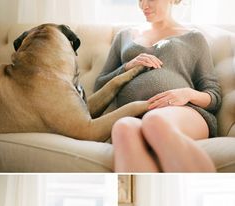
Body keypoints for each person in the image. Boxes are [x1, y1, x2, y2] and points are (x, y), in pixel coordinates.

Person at [94, 0, 221, 173]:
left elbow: (214, 95)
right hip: (135, 115)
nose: (143, 5)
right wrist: (126, 67)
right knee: (122, 128)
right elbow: (100, 86)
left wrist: (187, 94)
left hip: (184, 111)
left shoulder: (194, 38)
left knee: (154, 121)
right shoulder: (124, 36)